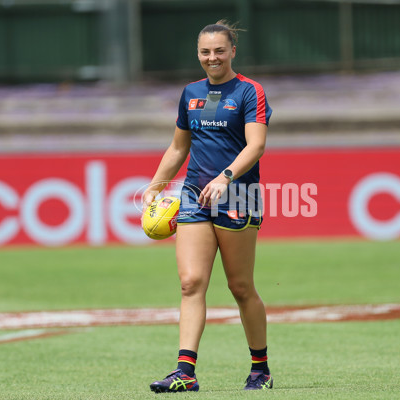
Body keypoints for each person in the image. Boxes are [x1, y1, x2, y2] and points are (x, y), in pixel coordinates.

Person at [141, 20, 273, 392]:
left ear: (233, 51)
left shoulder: (250, 92)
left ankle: (260, 369)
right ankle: (185, 373)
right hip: (194, 197)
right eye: (205, 51)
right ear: (197, 54)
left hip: (237, 195)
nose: (212, 58)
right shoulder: (190, 93)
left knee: (240, 286)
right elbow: (179, 147)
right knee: (190, 283)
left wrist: (225, 177)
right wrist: (155, 186)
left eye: (219, 50)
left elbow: (256, 145)